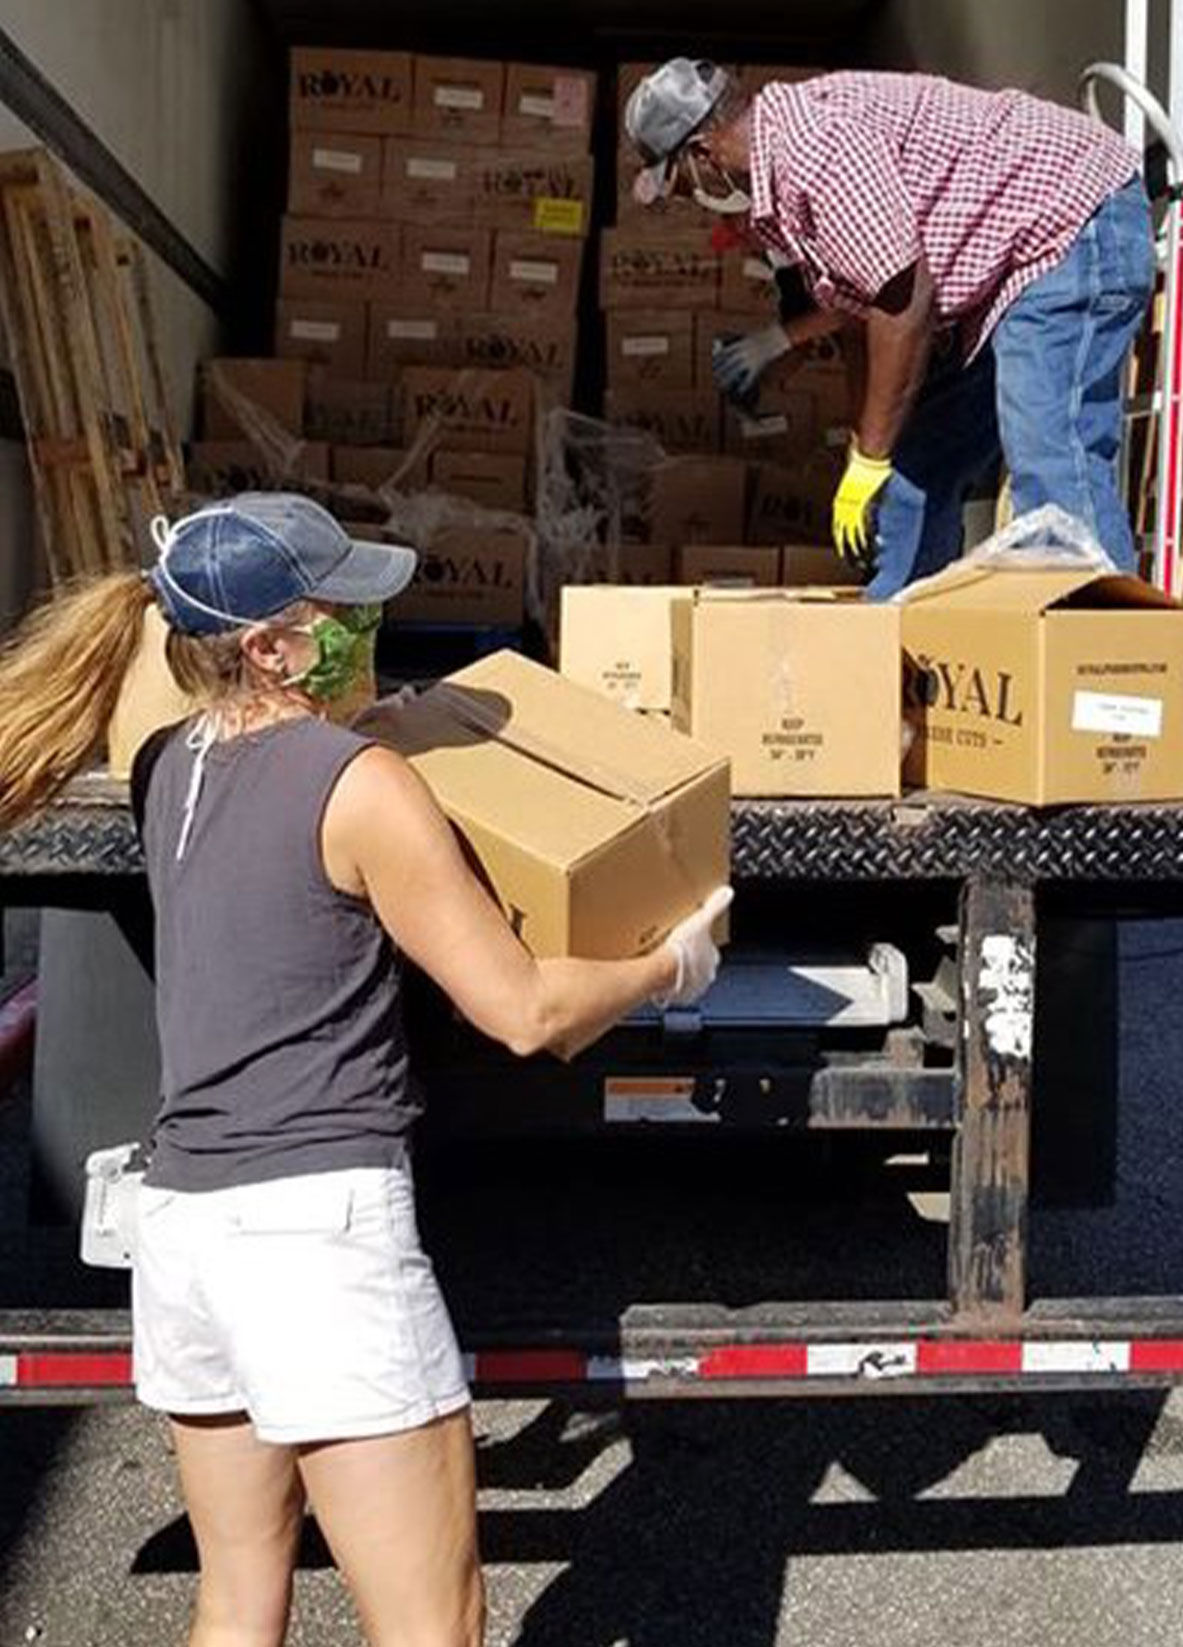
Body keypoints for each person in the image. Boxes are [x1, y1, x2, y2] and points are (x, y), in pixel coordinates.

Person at [0, 493, 730, 1647]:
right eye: (340, 607)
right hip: (317, 1241)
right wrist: (668, 967)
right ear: (271, 646)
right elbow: (522, 1010)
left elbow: (253, 763)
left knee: (236, 1599)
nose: (368, 622)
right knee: (433, 1622)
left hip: (184, 1233)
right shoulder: (365, 787)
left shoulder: (165, 767)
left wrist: (353, 725)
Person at [626, 57, 1157, 593]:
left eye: (680, 186)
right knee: (914, 466)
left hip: (1070, 223)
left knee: (1049, 452)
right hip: (998, 274)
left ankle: (1101, 640)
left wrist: (870, 456)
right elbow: (864, 318)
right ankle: (892, 631)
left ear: (701, 154)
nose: (693, 202)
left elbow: (902, 301)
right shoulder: (779, 189)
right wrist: (867, 447)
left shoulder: (813, 149)